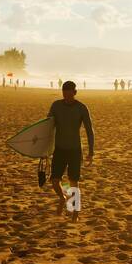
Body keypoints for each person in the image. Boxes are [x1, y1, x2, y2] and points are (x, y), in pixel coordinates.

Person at [47, 80, 94, 217]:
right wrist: (44, 149)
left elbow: (89, 131)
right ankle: (63, 198)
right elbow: (47, 127)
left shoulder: (81, 108)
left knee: (73, 181)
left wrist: (91, 152)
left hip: (74, 149)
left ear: (75, 92)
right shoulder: (56, 105)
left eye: (69, 95)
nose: (66, 98)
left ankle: (75, 212)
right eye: (64, 94)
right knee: (55, 180)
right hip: (59, 149)